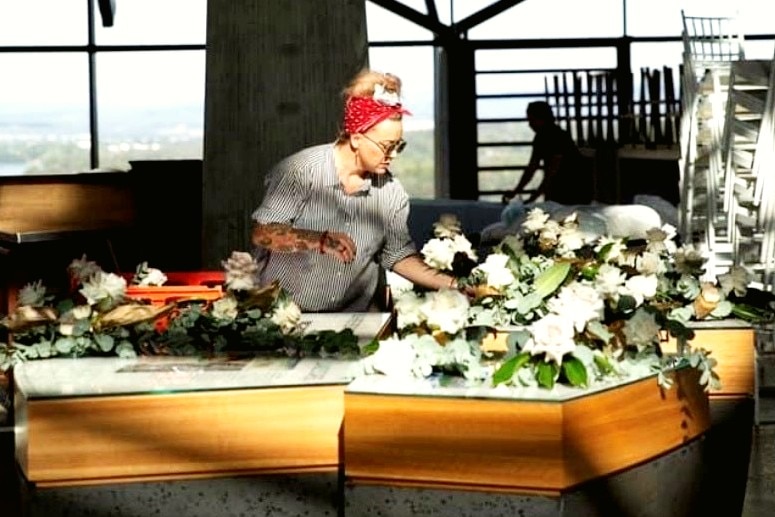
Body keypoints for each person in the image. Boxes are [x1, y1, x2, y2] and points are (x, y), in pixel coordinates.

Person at [250, 69, 459, 312]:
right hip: (280, 316)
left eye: (398, 146)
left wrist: (455, 285)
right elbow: (262, 234)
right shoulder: (301, 170)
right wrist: (318, 240)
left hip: (349, 324)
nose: (392, 156)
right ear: (357, 138)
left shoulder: (392, 193)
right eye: (386, 146)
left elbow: (397, 254)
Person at [503, 101, 593, 205]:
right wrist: (517, 191)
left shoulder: (556, 137)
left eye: (532, 120)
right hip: (567, 189)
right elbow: (533, 167)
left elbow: (550, 172)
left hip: (574, 189)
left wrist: (531, 197)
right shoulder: (546, 137)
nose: (530, 124)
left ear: (542, 118)